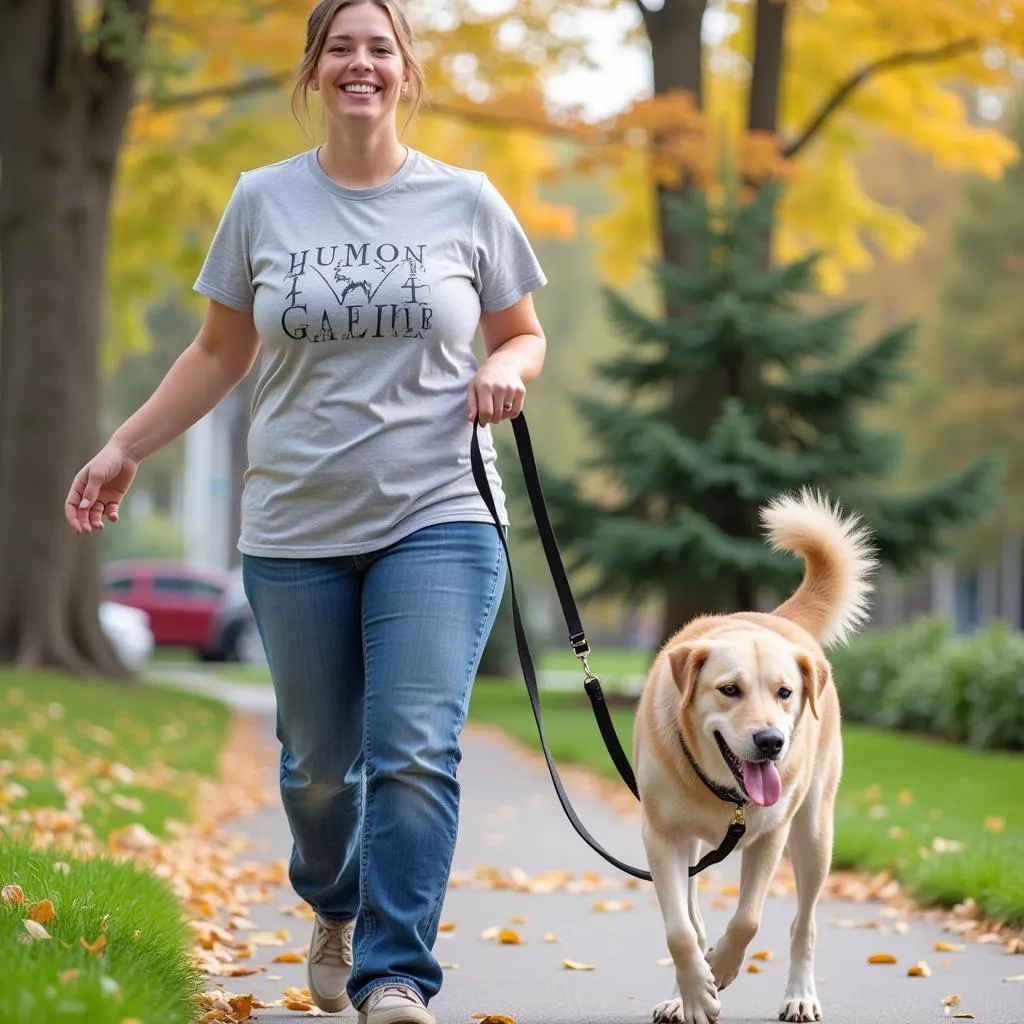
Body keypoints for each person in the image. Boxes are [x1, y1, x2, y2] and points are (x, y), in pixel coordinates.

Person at [64, 1, 548, 1021]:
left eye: (380, 47)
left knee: (415, 744)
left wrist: (505, 369)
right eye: (342, 48)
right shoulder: (262, 201)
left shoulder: (465, 200)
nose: (360, 63)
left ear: (406, 73)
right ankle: (332, 901)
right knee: (321, 767)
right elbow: (217, 352)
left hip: (441, 512)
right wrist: (124, 447)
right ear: (315, 71)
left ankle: (394, 974)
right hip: (294, 525)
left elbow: (523, 332)